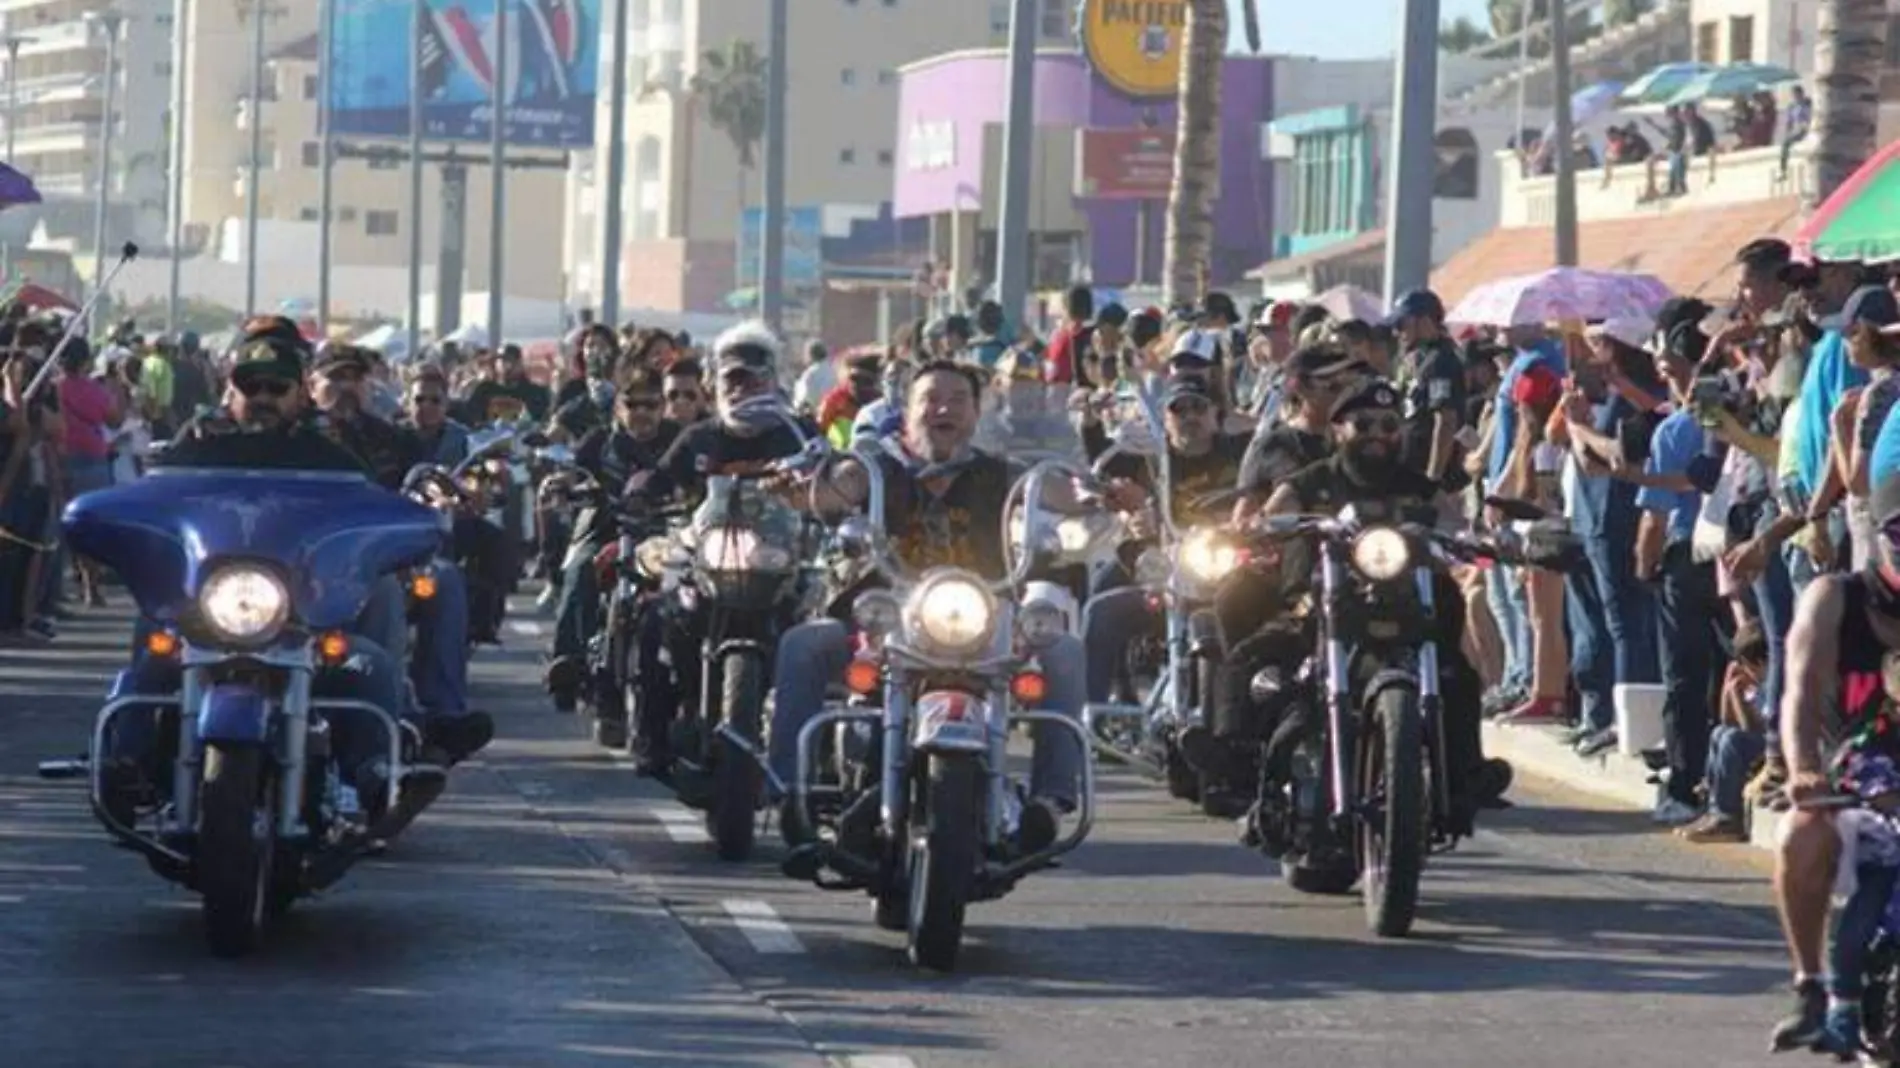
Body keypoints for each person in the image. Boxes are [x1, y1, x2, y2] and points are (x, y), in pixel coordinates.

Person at [104, 320, 491, 824]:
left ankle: (377, 769)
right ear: (231, 389)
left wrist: (407, 529)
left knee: (369, 663)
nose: (262, 397)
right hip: (209, 603)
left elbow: (369, 513)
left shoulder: (330, 456)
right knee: (150, 643)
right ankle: (124, 763)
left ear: (298, 394)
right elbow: (154, 505)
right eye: (251, 386)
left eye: (276, 387)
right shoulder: (196, 444)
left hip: (303, 608)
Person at [766, 361, 1087, 853]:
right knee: (803, 643)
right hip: (883, 620)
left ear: (977, 413)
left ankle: (1049, 801)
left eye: (958, 399)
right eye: (931, 398)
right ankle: (791, 789)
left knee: (1062, 649)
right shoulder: (877, 466)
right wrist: (798, 492)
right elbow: (835, 490)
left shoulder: (999, 473)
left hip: (984, 622)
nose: (944, 409)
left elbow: (1061, 492)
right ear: (908, 412)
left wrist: (1104, 494)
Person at [1244, 379, 1513, 830]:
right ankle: (1265, 787)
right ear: (1338, 430)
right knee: (1282, 675)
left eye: (1389, 425)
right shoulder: (1314, 480)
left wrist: (1479, 539)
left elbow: (1455, 522)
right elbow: (1272, 511)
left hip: (1406, 605)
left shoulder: (1418, 487)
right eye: (1363, 423)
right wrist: (1262, 524)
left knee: (1458, 677)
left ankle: (1464, 775)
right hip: (1324, 601)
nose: (1377, 433)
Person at [1769, 471, 1900, 1051]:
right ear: (1877, 533)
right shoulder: (1834, 598)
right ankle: (1811, 985)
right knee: (1801, 836)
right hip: (1854, 783)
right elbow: (1798, 693)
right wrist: (1802, 769)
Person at [302, 337, 484, 742]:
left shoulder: (392, 439)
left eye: (355, 379)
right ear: (311, 384)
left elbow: (424, 483)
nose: (346, 388)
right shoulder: (292, 436)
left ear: (370, 387)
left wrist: (448, 494)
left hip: (376, 559)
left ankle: (437, 714)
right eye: (336, 378)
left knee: (443, 579)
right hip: (296, 564)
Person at [545, 367, 683, 712]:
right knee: (579, 571)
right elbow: (572, 473)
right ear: (618, 408)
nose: (642, 413)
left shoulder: (678, 441)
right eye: (632, 404)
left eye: (650, 405)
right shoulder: (598, 441)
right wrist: (563, 485)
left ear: (662, 407)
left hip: (662, 535)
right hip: (605, 528)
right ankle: (570, 662)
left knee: (684, 588)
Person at [458, 343, 551, 426]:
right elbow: (471, 417)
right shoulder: (485, 389)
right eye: (500, 360)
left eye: (508, 360)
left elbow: (540, 421)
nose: (503, 365)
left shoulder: (535, 392)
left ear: (520, 363)